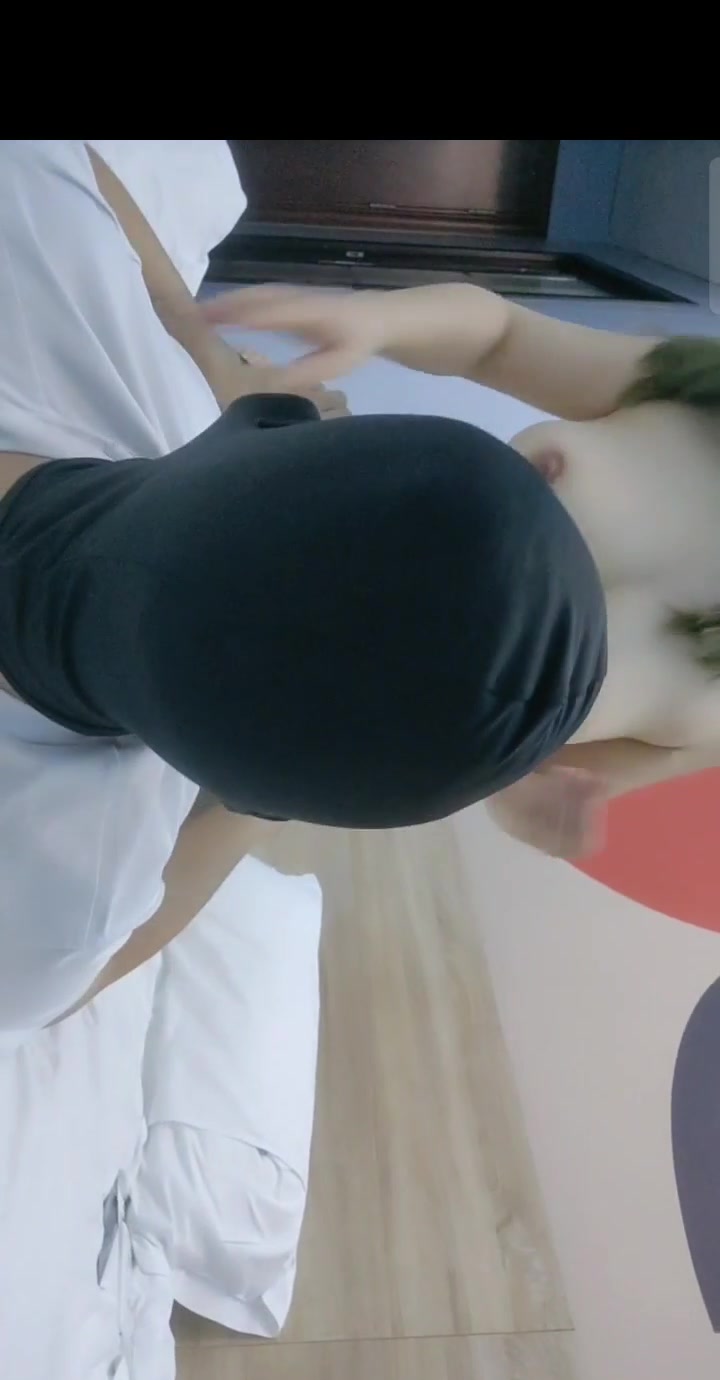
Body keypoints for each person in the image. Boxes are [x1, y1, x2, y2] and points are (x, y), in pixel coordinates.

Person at [0, 141, 605, 1032]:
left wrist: (201, 345)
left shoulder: (40, 243)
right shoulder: (56, 901)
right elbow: (73, 976)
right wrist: (259, 798)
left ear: (271, 418)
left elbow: (58, 173)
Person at [201, 281, 720, 858]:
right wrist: (375, 320)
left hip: (277, 737)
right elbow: (501, 339)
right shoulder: (702, 395)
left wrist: (524, 802)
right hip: (243, 503)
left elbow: (538, 773)